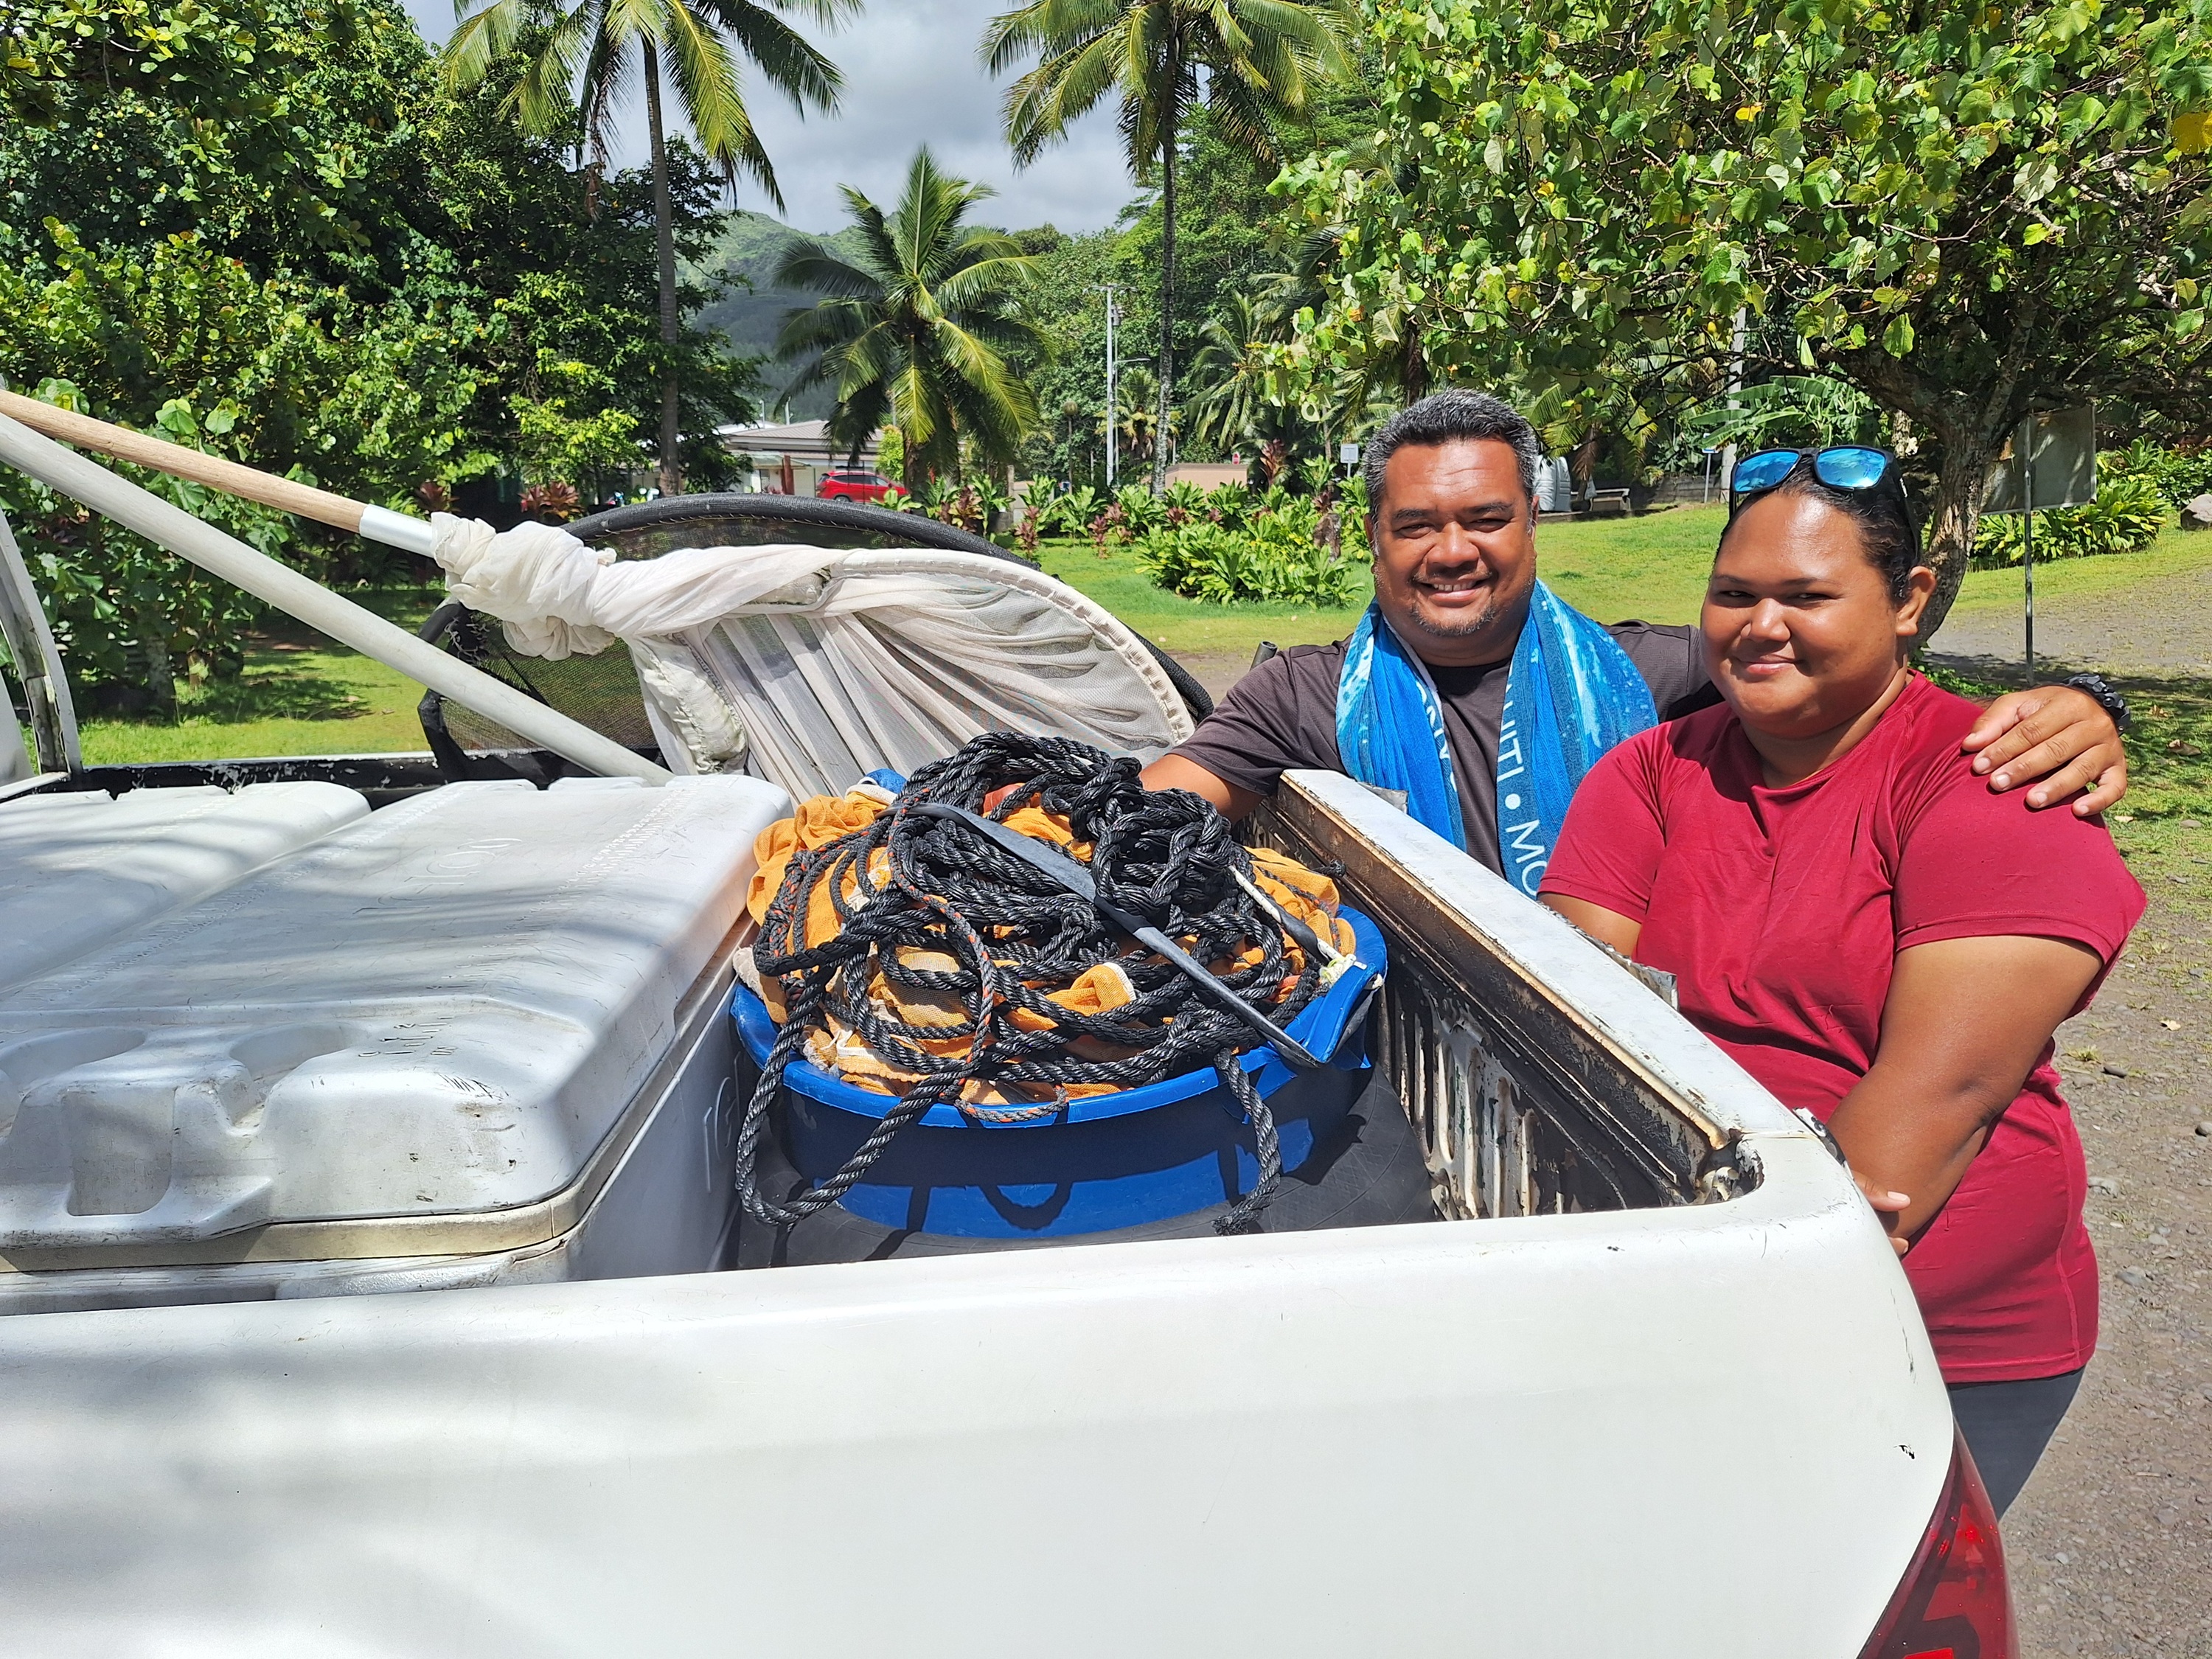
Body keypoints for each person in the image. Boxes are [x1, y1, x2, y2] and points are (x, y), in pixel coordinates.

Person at [1537, 447, 2144, 1514]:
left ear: (1910, 599)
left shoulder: (1994, 780)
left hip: (1925, 1331)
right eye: (1734, 594)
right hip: (1689, 1278)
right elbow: (1582, 1036)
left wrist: (1698, 1297)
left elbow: (1935, 1110)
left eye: (1807, 595)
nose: (1760, 624)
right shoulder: (1649, 772)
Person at [1142, 392, 2132, 892]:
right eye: (1416, 526)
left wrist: (2086, 704)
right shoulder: (1302, 696)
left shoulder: (1649, 669)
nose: (1452, 552)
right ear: (1375, 539)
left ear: (1532, 522)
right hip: (1399, 1075)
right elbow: (1161, 803)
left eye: (1485, 519)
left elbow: (1856, 681)